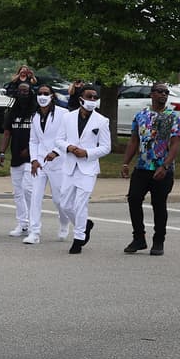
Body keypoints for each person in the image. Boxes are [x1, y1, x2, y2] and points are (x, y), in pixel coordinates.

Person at [120, 82, 180, 256]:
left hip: (163, 169)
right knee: (133, 199)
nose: (163, 94)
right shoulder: (141, 116)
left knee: (158, 204)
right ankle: (139, 238)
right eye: (160, 91)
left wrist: (165, 165)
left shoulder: (174, 117)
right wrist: (126, 163)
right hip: (142, 167)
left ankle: (159, 240)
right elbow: (134, 141)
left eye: (166, 92)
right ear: (152, 94)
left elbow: (175, 144)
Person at [58, 85, 111, 254]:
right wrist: (70, 147)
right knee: (64, 204)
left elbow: (105, 147)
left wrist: (87, 153)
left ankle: (79, 238)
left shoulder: (102, 121)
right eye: (89, 97)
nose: (93, 100)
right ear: (81, 98)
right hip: (70, 165)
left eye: (95, 97)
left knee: (81, 204)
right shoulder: (68, 118)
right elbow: (59, 140)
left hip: (88, 168)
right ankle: (85, 224)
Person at [22, 84, 72, 244]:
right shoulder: (35, 116)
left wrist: (56, 152)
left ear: (52, 96)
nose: (42, 96)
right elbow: (33, 140)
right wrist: (34, 160)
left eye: (46, 93)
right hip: (40, 163)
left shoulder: (64, 114)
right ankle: (34, 232)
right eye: (40, 93)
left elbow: (70, 138)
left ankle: (64, 222)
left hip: (59, 162)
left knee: (59, 200)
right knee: (35, 197)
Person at [0, 81, 36, 236]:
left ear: (31, 92)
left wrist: (30, 149)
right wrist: (1, 152)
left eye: (25, 91)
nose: (22, 94)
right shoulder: (12, 112)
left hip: (31, 157)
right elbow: (7, 133)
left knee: (28, 189)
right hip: (16, 156)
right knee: (18, 192)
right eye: (20, 91)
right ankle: (22, 223)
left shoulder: (36, 111)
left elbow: (40, 135)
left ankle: (33, 223)